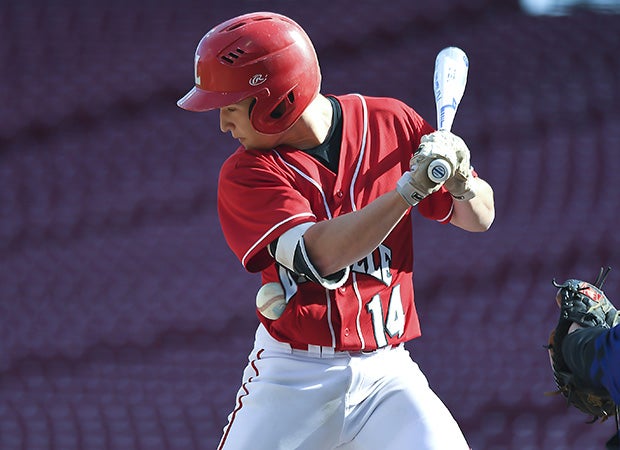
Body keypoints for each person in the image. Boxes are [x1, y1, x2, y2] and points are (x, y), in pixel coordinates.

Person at [177, 11, 495, 450]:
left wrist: (462, 182)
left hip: (387, 376)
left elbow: (480, 218)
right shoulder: (245, 174)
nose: (223, 124)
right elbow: (320, 255)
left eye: (230, 107)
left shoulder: (391, 121)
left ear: (277, 100)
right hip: (294, 378)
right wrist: (408, 190)